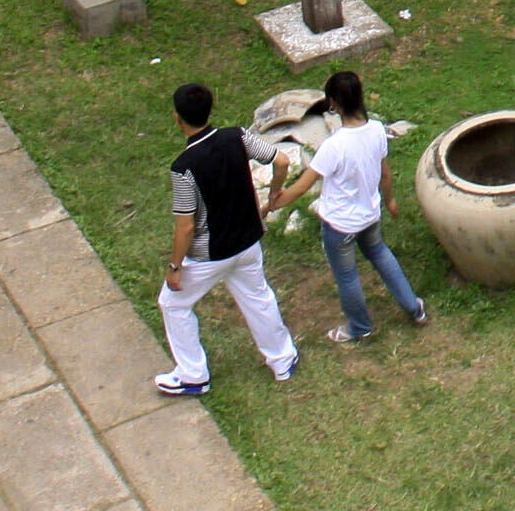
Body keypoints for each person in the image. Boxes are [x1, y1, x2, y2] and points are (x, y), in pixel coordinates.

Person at [266, 69, 430, 345]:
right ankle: (414, 308)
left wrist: (274, 203)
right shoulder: (377, 131)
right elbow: (385, 173)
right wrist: (390, 200)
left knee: (347, 276)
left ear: (333, 103)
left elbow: (303, 186)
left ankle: (360, 327)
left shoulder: (334, 146)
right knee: (381, 255)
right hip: (370, 215)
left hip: (340, 225)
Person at [156, 81, 298, 396]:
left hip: (211, 253)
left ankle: (193, 375)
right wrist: (274, 193)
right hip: (248, 241)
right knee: (257, 298)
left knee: (172, 303)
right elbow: (281, 161)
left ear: (178, 118)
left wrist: (175, 266)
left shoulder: (183, 168)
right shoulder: (237, 136)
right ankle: (283, 360)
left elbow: (186, 227)